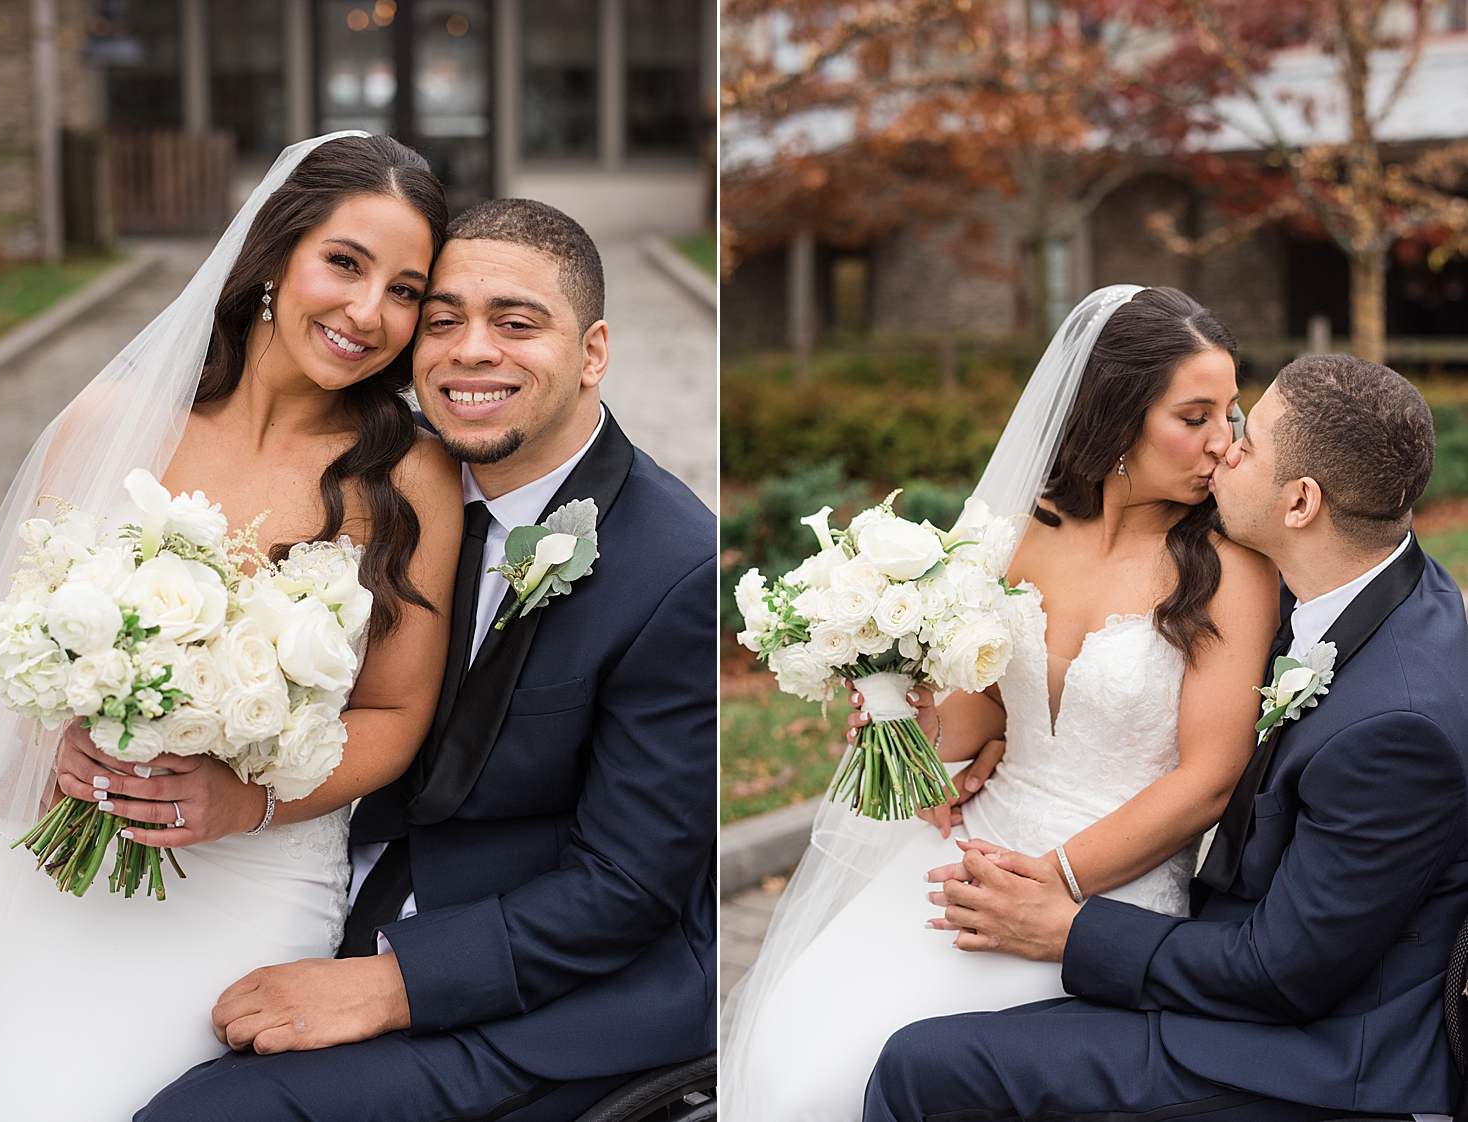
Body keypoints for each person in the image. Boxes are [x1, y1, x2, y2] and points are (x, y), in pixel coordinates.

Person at [136, 199, 718, 1121]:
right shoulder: (387, 485)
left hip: (540, 999)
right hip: (311, 882)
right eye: (442, 319)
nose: (470, 350)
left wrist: (385, 986)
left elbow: (628, 886)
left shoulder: (676, 567)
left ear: (593, 352)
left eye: (516, 323)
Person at [0, 133, 464, 1122]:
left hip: (253, 874)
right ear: (276, 255)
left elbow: (398, 712)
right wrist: (54, 743)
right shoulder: (108, 420)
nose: (370, 313)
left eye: (405, 290)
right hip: (63, 845)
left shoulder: (409, 476)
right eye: (345, 263)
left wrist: (247, 804)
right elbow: (21, 641)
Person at [720, 285, 1280, 1122]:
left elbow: (1208, 779)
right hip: (979, 845)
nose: (1222, 444)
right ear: (1119, 414)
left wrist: (1051, 885)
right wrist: (909, 725)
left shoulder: (1231, 568)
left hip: (1102, 886)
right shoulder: (1020, 532)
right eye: (1194, 416)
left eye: (1230, 414)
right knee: (806, 1036)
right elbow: (987, 709)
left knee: (889, 1057)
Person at [867, 354, 1468, 1120]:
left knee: (923, 1067)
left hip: (1311, 1051)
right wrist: (1012, 728)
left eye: (1246, 441)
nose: (1224, 449)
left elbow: (1282, 976)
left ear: (1301, 502)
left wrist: (1070, 929)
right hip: (1248, 964)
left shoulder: (1400, 726)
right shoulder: (1362, 577)